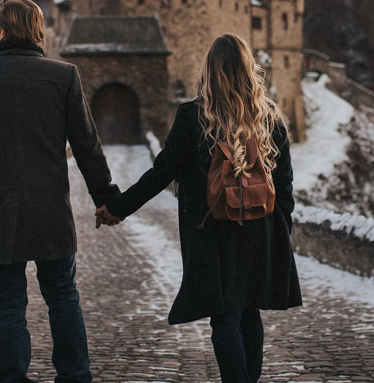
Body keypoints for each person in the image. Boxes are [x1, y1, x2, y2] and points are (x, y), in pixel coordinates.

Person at [96, 33, 302, 383]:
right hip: (260, 229)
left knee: (225, 317)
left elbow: (161, 172)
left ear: (210, 70)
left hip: (212, 231)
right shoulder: (270, 119)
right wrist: (280, 230)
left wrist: (119, 207)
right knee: (250, 314)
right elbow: (284, 186)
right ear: (249, 69)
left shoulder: (193, 117)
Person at [0, 0, 120, 383]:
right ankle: (74, 376)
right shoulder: (63, 77)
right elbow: (88, 147)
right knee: (62, 298)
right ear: (37, 32)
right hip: (50, 213)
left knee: (7, 304)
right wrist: (107, 200)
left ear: (3, 30)